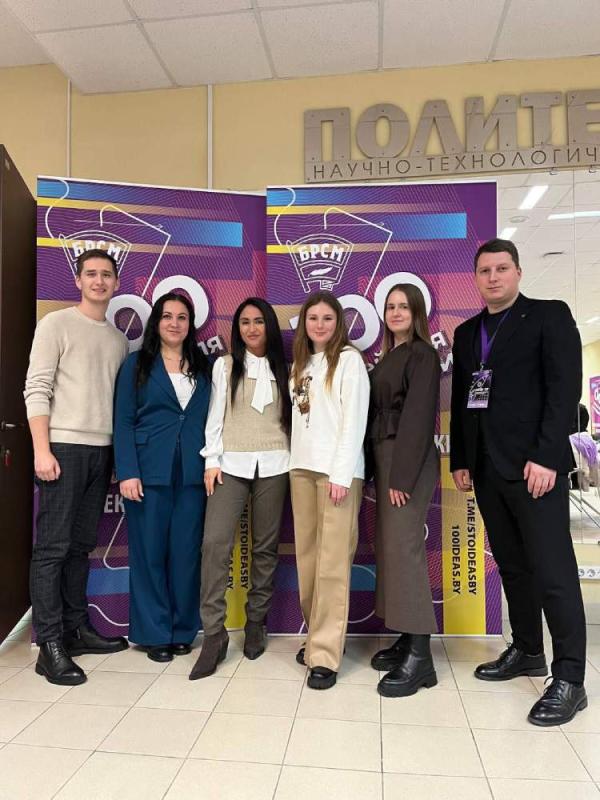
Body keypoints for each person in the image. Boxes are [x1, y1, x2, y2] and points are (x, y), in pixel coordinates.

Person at [450, 237, 587, 726]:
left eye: (502, 268)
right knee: (512, 567)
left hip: (536, 470)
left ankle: (570, 677)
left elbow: (564, 390)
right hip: (487, 470)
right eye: (485, 270)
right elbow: (462, 400)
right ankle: (528, 650)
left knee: (553, 571)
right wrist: (461, 459)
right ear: (476, 278)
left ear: (518, 272)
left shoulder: (549, 316)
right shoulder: (467, 333)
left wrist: (547, 457)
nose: (493, 277)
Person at [24, 248, 129, 686]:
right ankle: (49, 644)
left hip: (100, 453)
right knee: (52, 548)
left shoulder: (118, 340)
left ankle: (75, 629)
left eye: (106, 274)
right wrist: (41, 450)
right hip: (62, 449)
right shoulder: (56, 324)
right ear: (78, 280)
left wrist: (115, 459)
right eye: (91, 274)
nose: (98, 281)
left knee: (80, 547)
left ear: (116, 283)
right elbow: (37, 387)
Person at [189, 298, 291, 679]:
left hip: (276, 463)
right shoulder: (225, 365)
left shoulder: (287, 369)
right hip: (230, 463)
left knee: (265, 547)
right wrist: (211, 460)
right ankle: (214, 633)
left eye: (258, 321)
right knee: (215, 543)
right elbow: (215, 415)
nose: (251, 328)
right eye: (245, 322)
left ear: (269, 326)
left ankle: (256, 622)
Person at [114, 292, 211, 662]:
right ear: (156, 322)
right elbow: (123, 421)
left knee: (186, 555)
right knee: (149, 554)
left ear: (190, 324)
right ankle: (154, 634)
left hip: (192, 475)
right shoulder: (137, 364)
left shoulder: (202, 365)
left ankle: (183, 630)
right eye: (167, 316)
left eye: (182, 317)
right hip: (148, 472)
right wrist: (127, 472)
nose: (174, 323)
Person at [289, 291, 370, 690]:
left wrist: (341, 474)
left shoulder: (349, 360)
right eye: (313, 318)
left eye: (327, 318)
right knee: (308, 560)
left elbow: (354, 421)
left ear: (338, 323)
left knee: (332, 563)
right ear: (304, 323)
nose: (319, 325)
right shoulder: (300, 364)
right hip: (301, 469)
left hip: (337, 473)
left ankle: (324, 655)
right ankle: (316, 637)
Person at [367, 284, 441, 697]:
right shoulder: (389, 356)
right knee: (391, 548)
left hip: (405, 459)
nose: (396, 313)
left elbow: (418, 416)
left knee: (405, 550)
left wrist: (402, 477)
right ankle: (408, 636)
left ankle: (421, 657)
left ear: (417, 312)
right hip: (386, 457)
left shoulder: (422, 353)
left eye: (403, 307)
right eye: (390, 307)